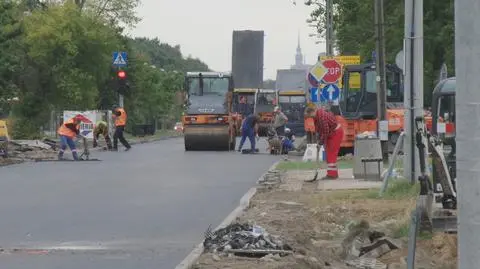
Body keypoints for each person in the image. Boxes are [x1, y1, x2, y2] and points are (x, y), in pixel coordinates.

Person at [305, 106, 344, 180]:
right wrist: (318, 140)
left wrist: (320, 143)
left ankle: (332, 175)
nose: (310, 118)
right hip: (331, 133)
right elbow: (319, 130)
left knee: (331, 154)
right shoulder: (316, 117)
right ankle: (333, 174)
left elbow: (325, 131)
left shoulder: (322, 117)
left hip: (335, 133)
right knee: (329, 154)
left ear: (312, 112)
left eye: (310, 116)